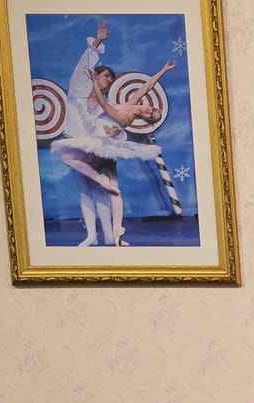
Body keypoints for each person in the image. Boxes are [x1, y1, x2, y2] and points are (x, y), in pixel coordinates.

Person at [54, 20, 172, 246]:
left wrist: (116, 129)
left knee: (105, 188)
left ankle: (112, 234)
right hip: (84, 141)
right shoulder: (83, 93)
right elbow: (146, 87)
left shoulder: (113, 108)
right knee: (88, 189)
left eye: (151, 114)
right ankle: (99, 235)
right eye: (105, 76)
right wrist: (163, 70)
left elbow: (107, 110)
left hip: (100, 143)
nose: (109, 81)